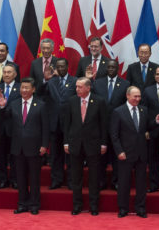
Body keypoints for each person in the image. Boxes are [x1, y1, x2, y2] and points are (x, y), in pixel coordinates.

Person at [0, 77, 49, 215]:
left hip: (35, 147)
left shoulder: (41, 105)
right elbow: (4, 118)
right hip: (17, 147)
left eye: (27, 88)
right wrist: (2, 106)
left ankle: (34, 205)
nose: (24, 90)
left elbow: (45, 127)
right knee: (20, 178)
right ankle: (22, 204)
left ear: (33, 89)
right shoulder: (14, 104)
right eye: (22, 87)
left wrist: (44, 145)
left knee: (34, 179)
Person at [110, 86, 159, 218]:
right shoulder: (118, 111)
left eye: (139, 96)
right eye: (135, 96)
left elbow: (146, 126)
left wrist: (156, 122)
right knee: (123, 183)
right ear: (128, 96)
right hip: (125, 153)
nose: (138, 99)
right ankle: (123, 208)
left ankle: (141, 208)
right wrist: (119, 151)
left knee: (141, 183)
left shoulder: (144, 110)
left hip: (141, 153)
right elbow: (114, 135)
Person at [63, 77, 108, 216]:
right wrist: (66, 142)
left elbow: (104, 124)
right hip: (75, 144)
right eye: (76, 86)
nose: (77, 89)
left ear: (88, 88)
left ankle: (94, 206)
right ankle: (77, 206)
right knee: (76, 178)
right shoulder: (71, 101)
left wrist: (103, 143)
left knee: (94, 177)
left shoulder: (99, 101)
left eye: (80, 87)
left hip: (93, 144)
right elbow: (67, 124)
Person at [39, 57, 76, 189]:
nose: (60, 69)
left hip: (70, 124)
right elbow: (40, 95)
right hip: (54, 124)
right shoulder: (51, 82)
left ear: (67, 67)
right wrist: (45, 80)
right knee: (55, 155)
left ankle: (71, 182)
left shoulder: (74, 81)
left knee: (71, 155)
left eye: (62, 66)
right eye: (58, 67)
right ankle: (56, 180)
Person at [92, 59, 129, 190]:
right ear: (106, 68)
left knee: (116, 155)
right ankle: (101, 181)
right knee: (100, 156)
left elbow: (126, 105)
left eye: (113, 67)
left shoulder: (125, 84)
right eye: (109, 67)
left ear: (118, 69)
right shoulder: (97, 83)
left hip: (119, 126)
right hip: (100, 125)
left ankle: (116, 181)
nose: (111, 69)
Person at [0, 62, 20, 189]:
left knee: (15, 156)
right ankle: (2, 180)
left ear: (15, 74)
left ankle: (15, 180)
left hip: (15, 127)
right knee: (0, 156)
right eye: (4, 72)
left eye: (9, 72)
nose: (6, 74)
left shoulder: (20, 87)